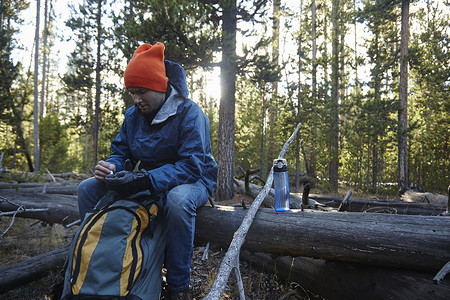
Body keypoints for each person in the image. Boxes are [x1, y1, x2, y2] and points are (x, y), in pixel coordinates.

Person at [77, 42, 218, 300]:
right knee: (87, 188)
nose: (136, 99)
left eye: (141, 91)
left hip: (195, 179)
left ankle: (177, 286)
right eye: (132, 92)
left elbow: (192, 165)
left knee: (177, 200)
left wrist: (145, 179)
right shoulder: (133, 116)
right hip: (148, 180)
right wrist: (113, 167)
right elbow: (121, 152)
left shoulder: (190, 113)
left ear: (160, 86)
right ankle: (96, 265)